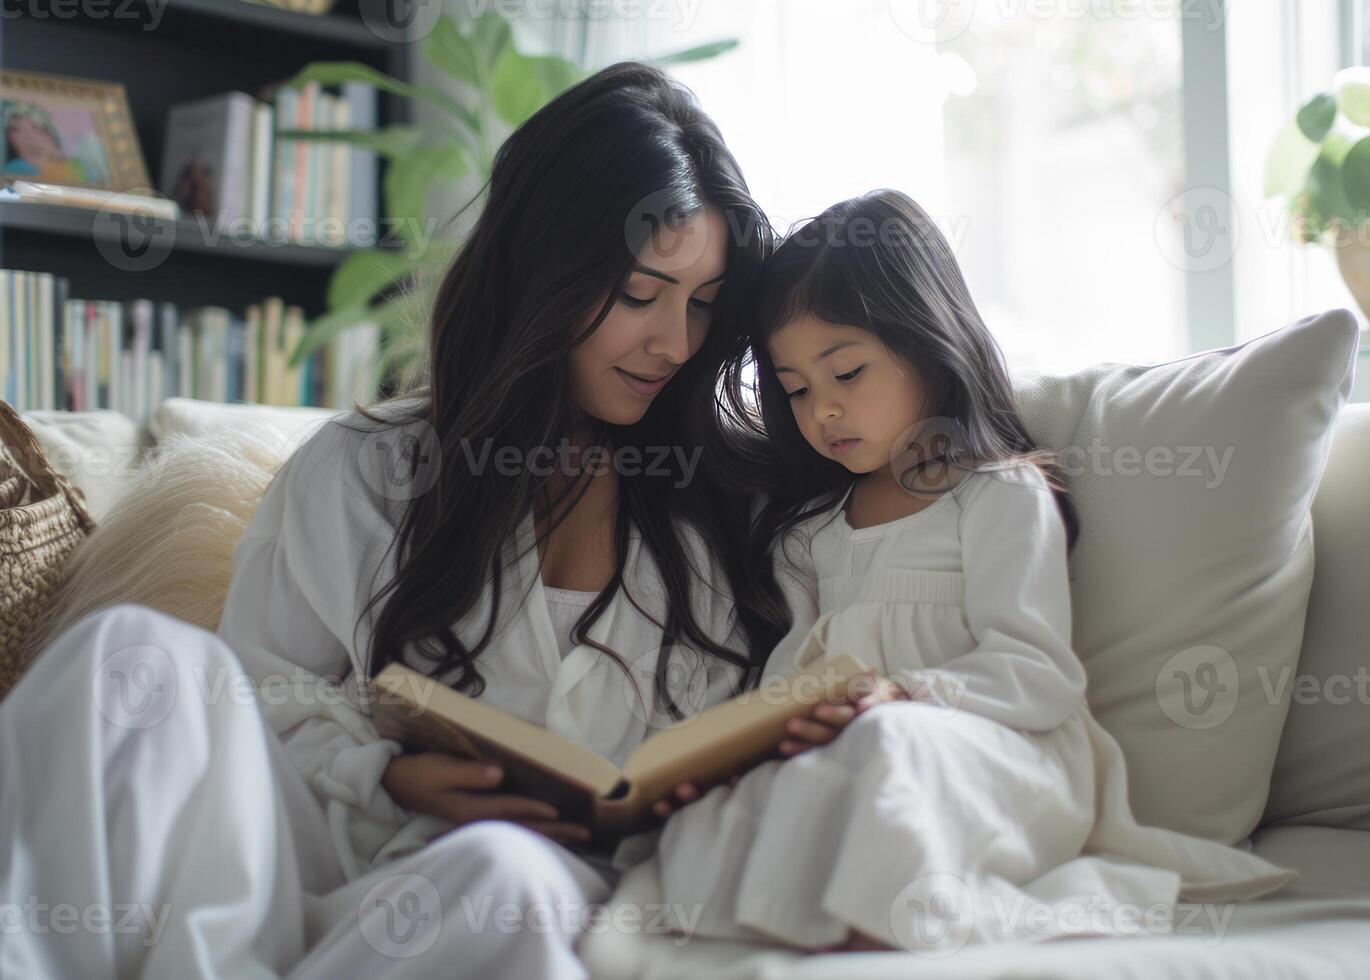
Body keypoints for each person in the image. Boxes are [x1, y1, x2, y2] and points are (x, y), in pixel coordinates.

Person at [0, 61, 797, 977]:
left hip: (519, 904)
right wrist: (387, 774)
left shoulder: (732, 505)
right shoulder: (364, 467)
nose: (674, 343)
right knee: (129, 656)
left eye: (702, 304)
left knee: (506, 878)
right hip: (324, 862)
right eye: (639, 295)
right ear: (543, 267)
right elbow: (266, 702)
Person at [653, 189, 1301, 956]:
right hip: (853, 752)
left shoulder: (995, 494)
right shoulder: (812, 533)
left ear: (926, 342)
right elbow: (792, 670)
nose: (822, 409)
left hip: (996, 760)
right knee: (719, 795)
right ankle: (777, 919)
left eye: (847, 373)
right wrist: (754, 740)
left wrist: (911, 692)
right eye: (795, 390)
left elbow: (1037, 672)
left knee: (890, 746)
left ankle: (873, 928)